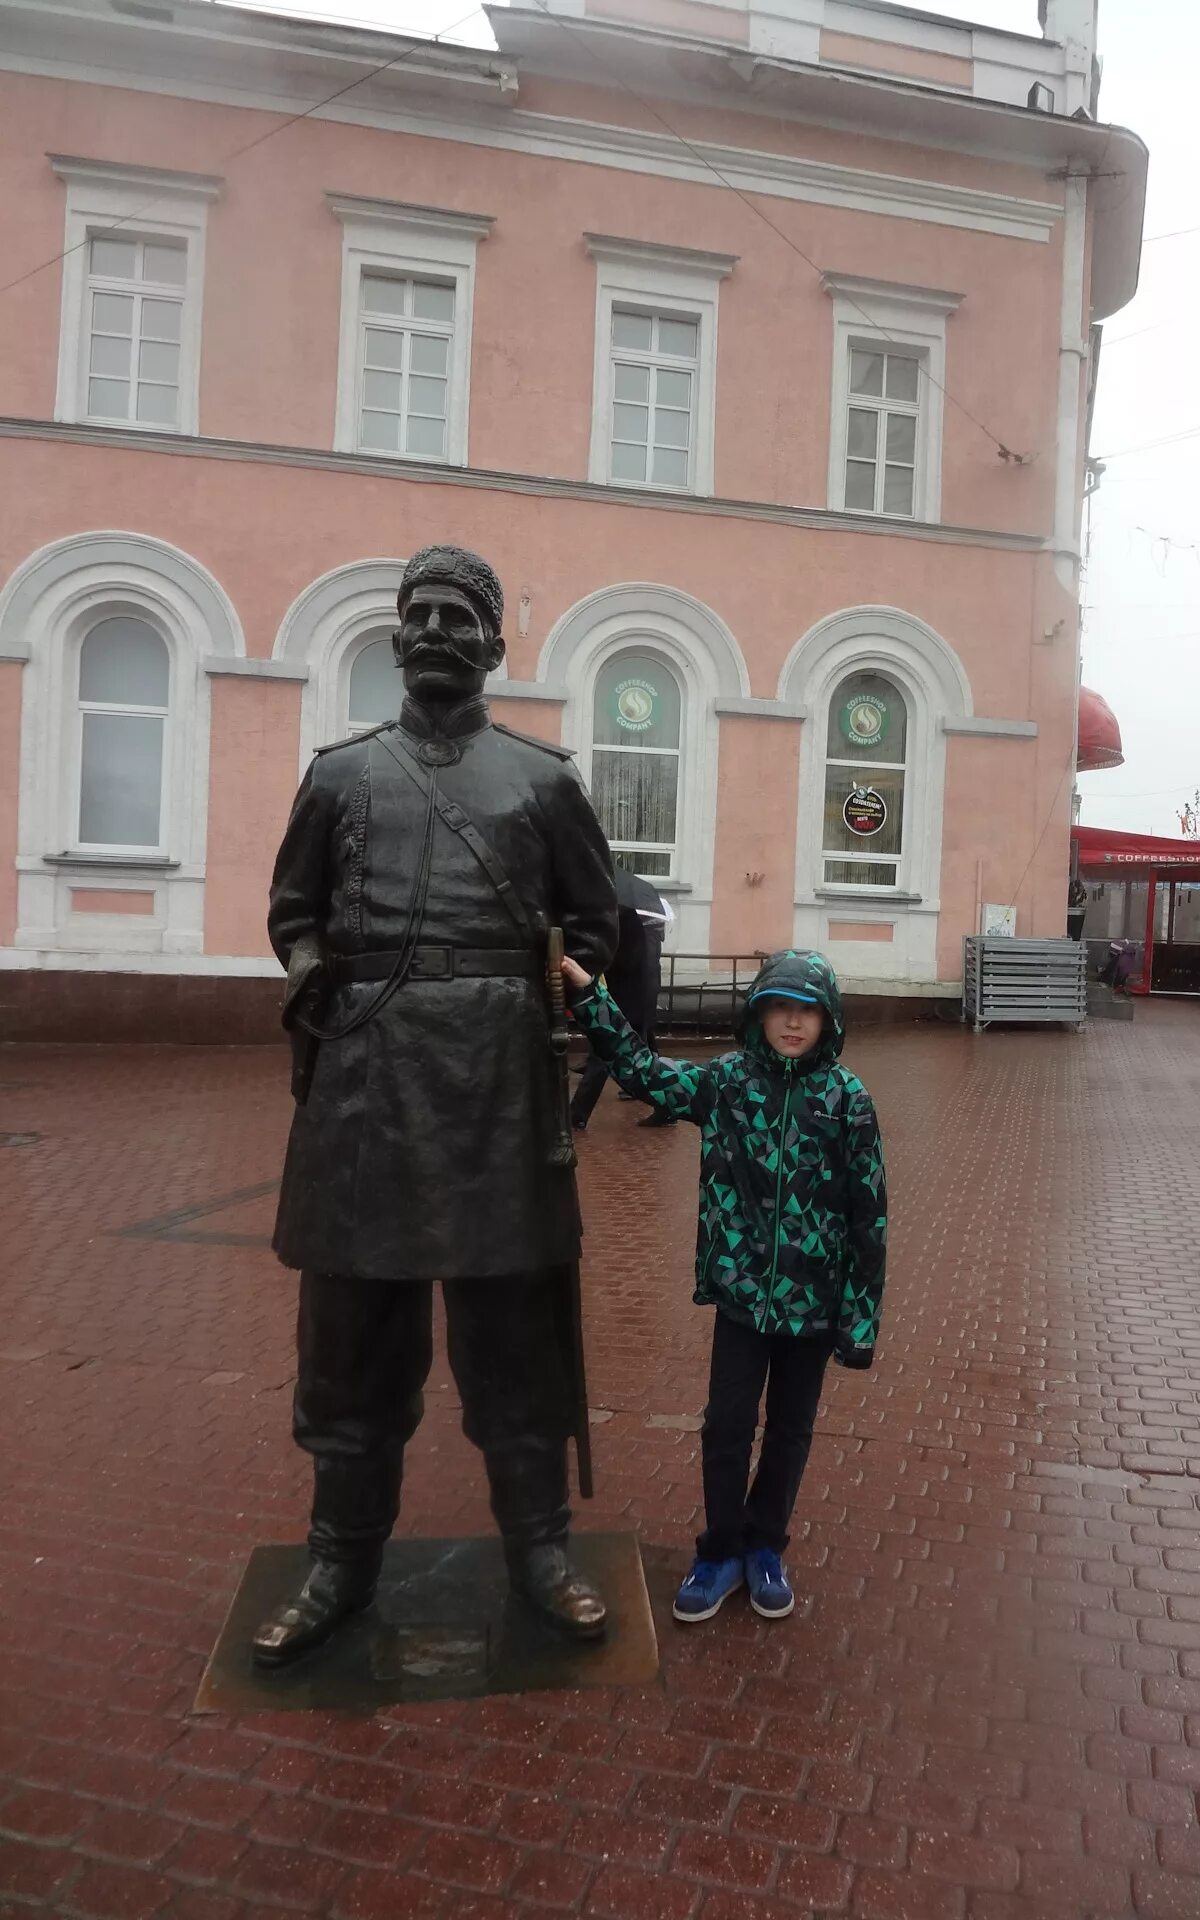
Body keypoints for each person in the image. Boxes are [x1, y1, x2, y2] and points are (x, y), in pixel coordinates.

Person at [256, 543, 618, 1667]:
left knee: (515, 1343)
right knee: (352, 1348)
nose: (436, 631)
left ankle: (542, 1551)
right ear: (397, 635)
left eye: (461, 616)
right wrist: (323, 977)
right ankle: (340, 1563)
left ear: (494, 644)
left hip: (497, 1095)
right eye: (419, 613)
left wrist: (566, 999)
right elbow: (291, 912)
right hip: (366, 1092)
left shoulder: (545, 782)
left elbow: (595, 929)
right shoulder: (340, 777)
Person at [560, 947, 887, 1623]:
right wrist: (592, 996)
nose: (793, 1024)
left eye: (808, 1012)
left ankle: (766, 1547)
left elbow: (869, 1216)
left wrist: (858, 1320)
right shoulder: (729, 1085)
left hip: (814, 1301)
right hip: (743, 1296)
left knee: (790, 1430)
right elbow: (644, 1071)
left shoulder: (848, 1101)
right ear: (759, 1014)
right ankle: (719, 1552)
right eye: (781, 1009)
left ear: (828, 1020)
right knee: (728, 1426)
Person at [571, 868, 673, 1131]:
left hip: (632, 999)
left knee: (604, 1054)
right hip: (631, 996)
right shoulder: (619, 920)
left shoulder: (624, 923)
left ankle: (577, 1114)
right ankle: (667, 1107)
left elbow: (625, 962)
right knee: (644, 1059)